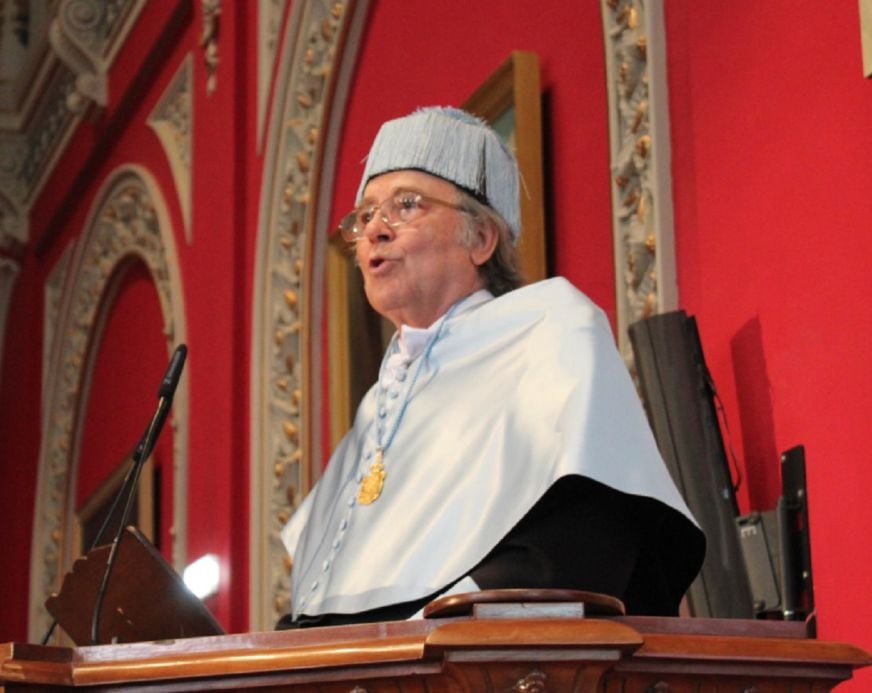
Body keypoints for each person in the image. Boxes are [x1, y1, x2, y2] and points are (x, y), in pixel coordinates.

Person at [279, 107, 704, 628]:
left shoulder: (551, 328)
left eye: (405, 206)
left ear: (481, 239)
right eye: (365, 216)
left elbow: (577, 547)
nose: (375, 231)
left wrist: (425, 633)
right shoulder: (379, 403)